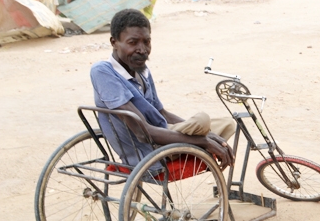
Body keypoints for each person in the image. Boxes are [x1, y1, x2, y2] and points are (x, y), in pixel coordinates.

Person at [90, 9, 234, 167]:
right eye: (133, 43)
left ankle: (194, 141)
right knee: (202, 120)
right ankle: (193, 144)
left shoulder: (142, 71)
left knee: (227, 123)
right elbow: (143, 133)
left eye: (146, 42)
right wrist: (202, 140)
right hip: (149, 147)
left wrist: (208, 135)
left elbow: (161, 113)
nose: (142, 49)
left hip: (163, 132)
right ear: (114, 42)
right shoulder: (103, 71)